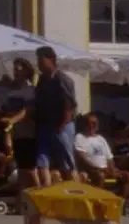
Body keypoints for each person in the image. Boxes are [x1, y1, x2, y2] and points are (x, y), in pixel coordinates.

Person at [33, 45, 77, 186]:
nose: (39, 63)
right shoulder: (42, 80)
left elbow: (69, 103)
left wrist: (63, 124)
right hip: (45, 125)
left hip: (61, 126)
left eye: (41, 60)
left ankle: (75, 190)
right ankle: (45, 188)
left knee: (67, 162)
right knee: (42, 160)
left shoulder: (62, 79)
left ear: (51, 59)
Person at [75, 114, 129, 197]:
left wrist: (112, 169)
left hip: (106, 170)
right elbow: (81, 157)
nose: (92, 125)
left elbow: (109, 157)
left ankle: (119, 201)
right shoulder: (80, 137)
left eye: (94, 123)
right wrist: (94, 168)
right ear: (85, 124)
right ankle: (98, 201)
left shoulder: (101, 139)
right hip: (91, 171)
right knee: (100, 176)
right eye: (89, 123)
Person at [2, 58, 39, 189]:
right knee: (22, 169)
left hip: (28, 133)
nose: (16, 72)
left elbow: (27, 111)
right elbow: (6, 111)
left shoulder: (31, 91)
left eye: (18, 70)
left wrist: (12, 120)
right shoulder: (11, 92)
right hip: (16, 134)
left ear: (26, 71)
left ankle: (39, 194)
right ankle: (22, 199)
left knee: (30, 169)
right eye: (14, 70)